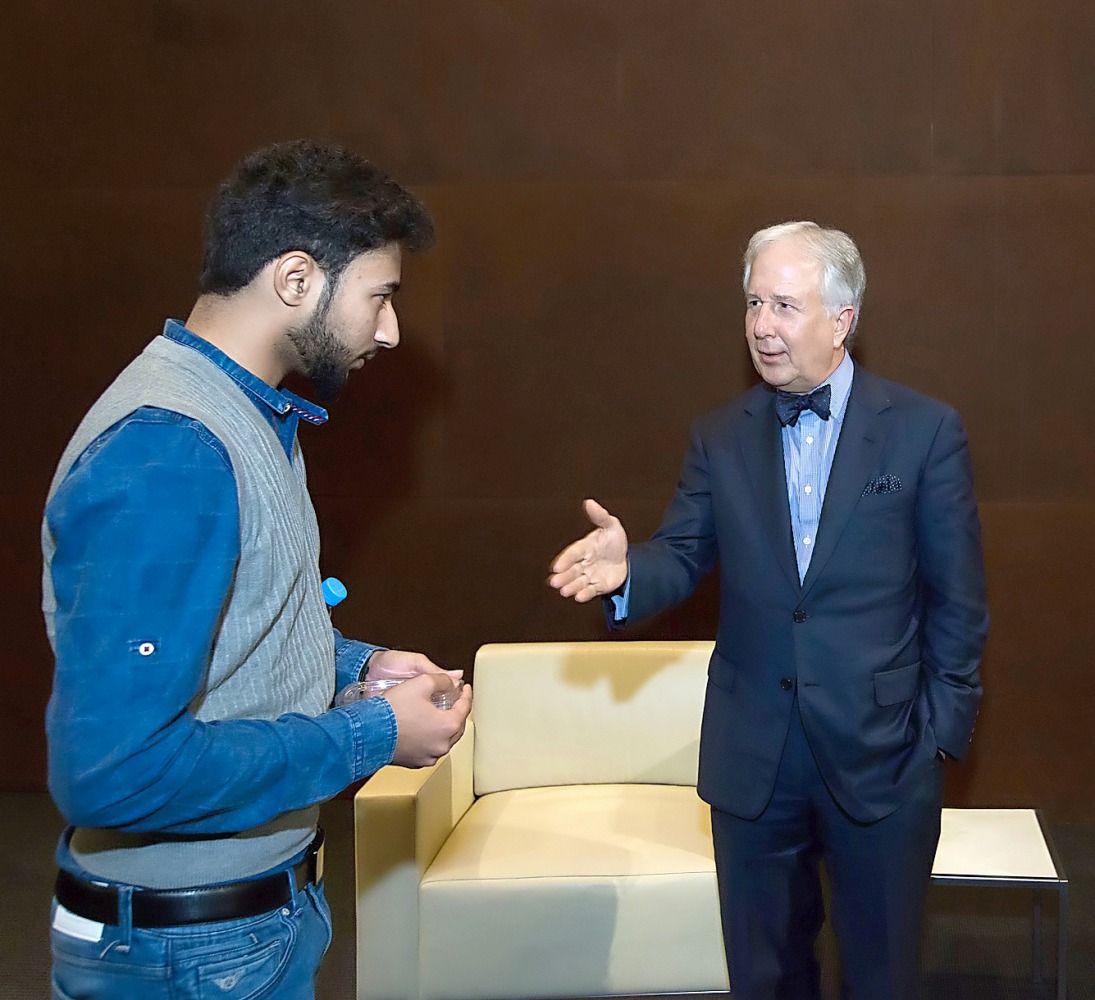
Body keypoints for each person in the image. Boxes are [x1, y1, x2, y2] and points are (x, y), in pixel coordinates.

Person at [42, 140, 472, 1000]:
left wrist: (357, 669)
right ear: (296, 279)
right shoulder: (173, 449)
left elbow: (239, 625)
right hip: (189, 956)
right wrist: (373, 734)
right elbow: (112, 771)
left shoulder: (249, 412)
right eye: (380, 296)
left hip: (238, 935)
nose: (389, 330)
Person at [548, 221, 987, 1000]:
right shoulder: (718, 436)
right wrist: (626, 571)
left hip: (883, 757)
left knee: (881, 978)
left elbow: (957, 599)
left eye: (783, 305)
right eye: (752, 303)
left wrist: (939, 734)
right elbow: (680, 553)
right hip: (752, 759)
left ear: (840, 318)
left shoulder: (923, 432)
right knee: (763, 978)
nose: (760, 326)